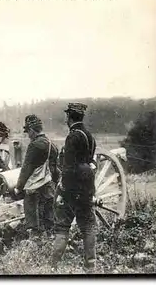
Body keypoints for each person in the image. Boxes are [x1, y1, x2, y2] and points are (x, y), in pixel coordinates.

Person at [51, 103, 98, 272]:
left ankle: (53, 266)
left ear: (69, 117)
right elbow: (91, 161)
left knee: (63, 226)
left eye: (67, 116)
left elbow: (69, 168)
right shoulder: (89, 136)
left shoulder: (72, 137)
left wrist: (62, 192)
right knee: (87, 226)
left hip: (72, 189)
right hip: (87, 188)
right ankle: (90, 266)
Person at [13, 115, 59, 236]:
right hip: (48, 185)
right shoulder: (51, 145)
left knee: (32, 212)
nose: (28, 135)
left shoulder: (34, 145)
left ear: (32, 131)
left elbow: (26, 168)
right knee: (49, 214)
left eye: (28, 132)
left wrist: (19, 186)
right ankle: (50, 237)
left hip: (35, 186)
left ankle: (34, 239)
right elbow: (54, 168)